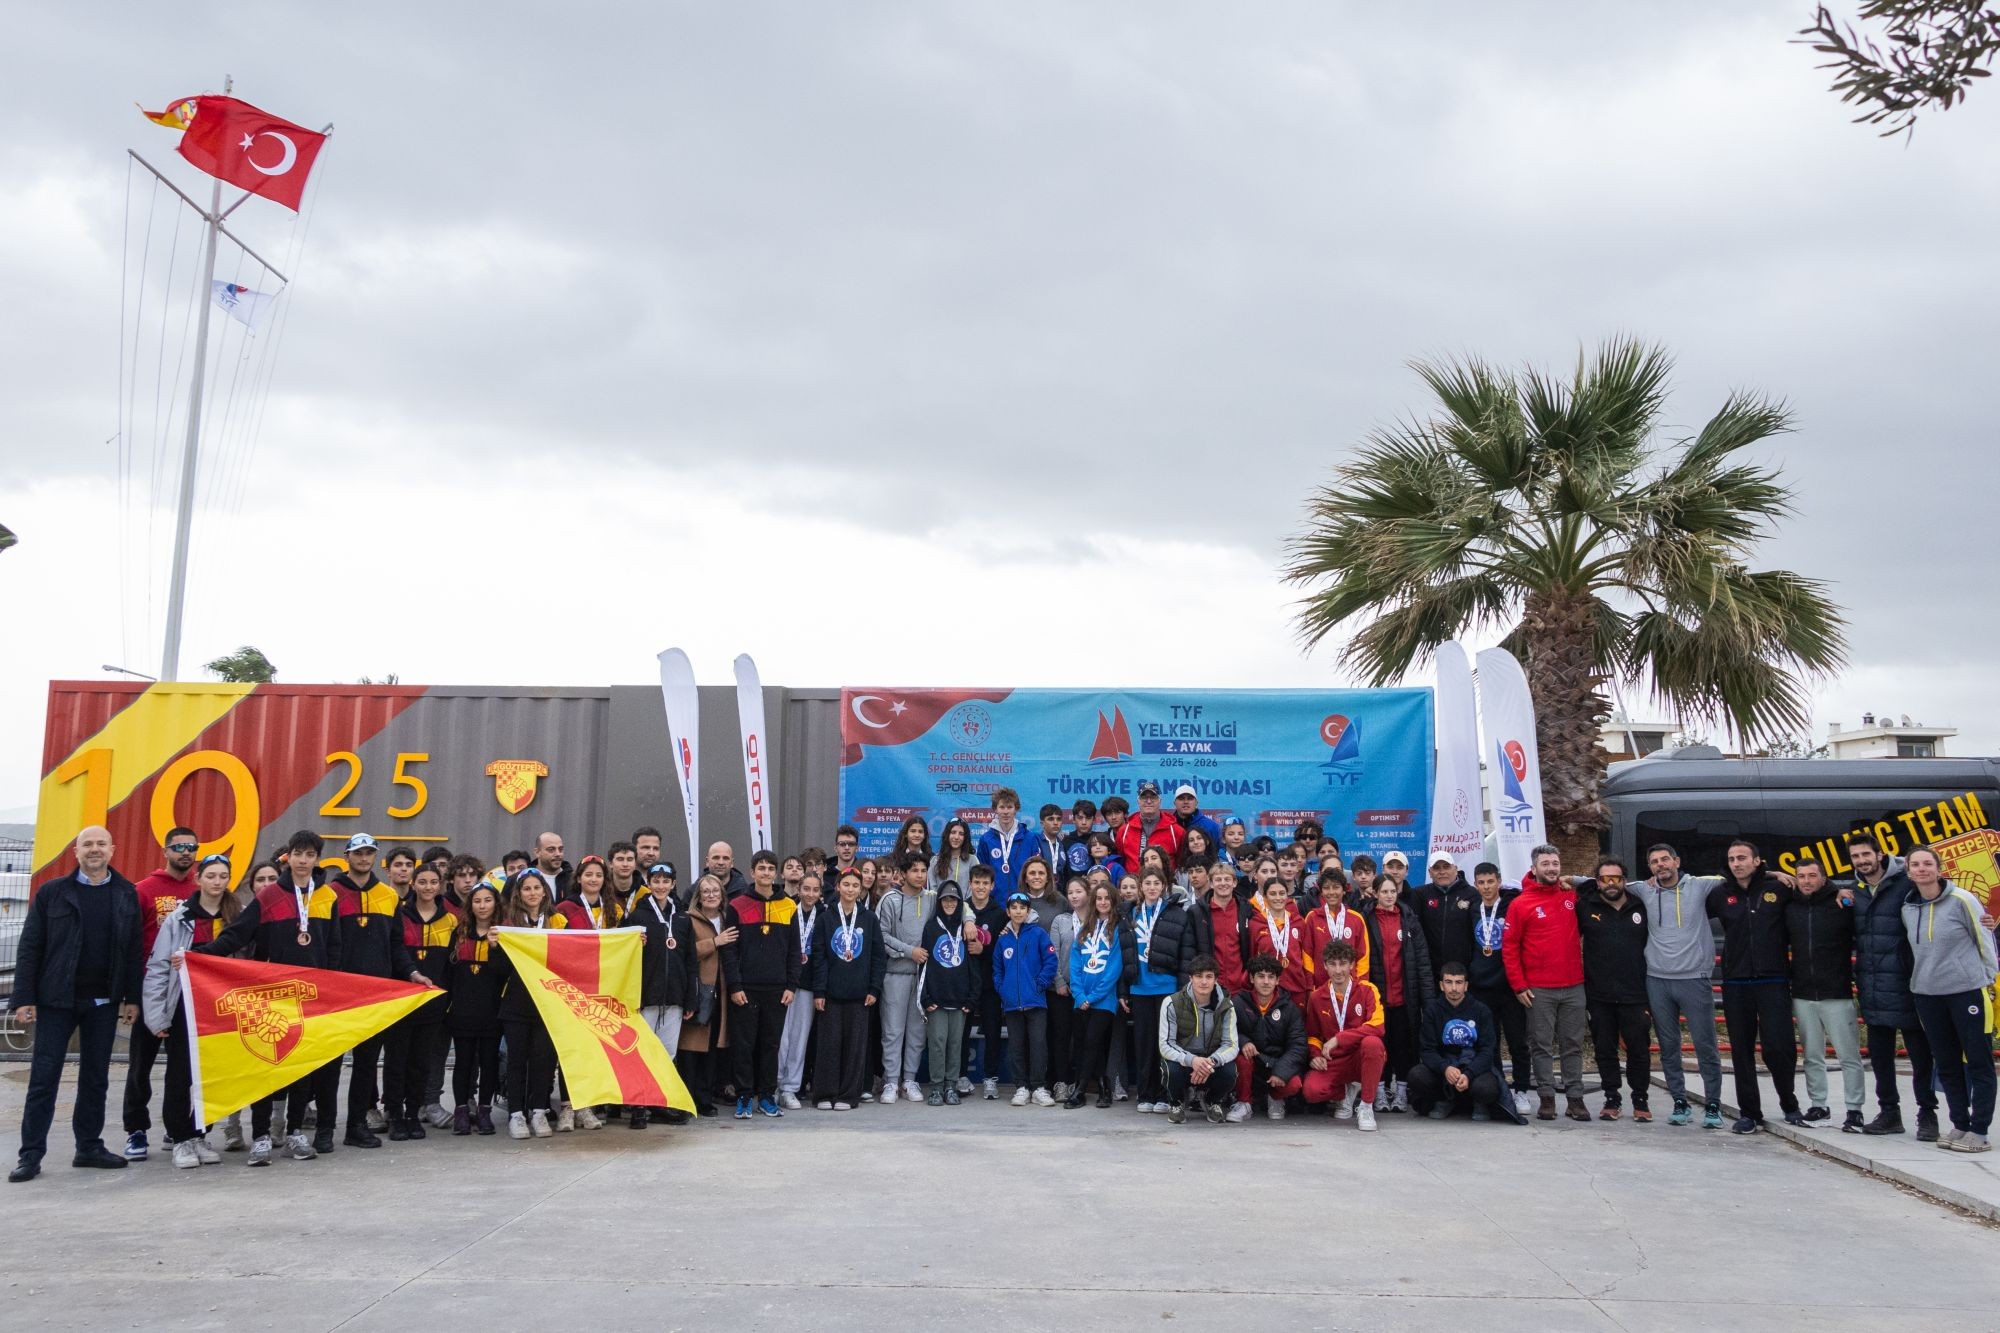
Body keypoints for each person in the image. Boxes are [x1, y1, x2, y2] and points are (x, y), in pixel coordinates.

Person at [192, 829, 340, 1160]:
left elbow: (334, 947)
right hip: (270, 995)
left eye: (310, 855)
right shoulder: (269, 896)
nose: (303, 861)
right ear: (289, 857)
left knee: (302, 1067)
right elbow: (237, 934)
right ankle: (260, 1135)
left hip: (309, 996)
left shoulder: (328, 897)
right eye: (298, 854)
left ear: (317, 859)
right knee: (266, 1066)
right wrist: (200, 955)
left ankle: (295, 1132)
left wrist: (330, 989)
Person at [328, 834, 433, 1148]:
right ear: (347, 855)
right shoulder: (330, 893)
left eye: (369, 853)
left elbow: (395, 944)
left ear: (375, 857)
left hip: (375, 995)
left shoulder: (387, 896)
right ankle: (323, 1129)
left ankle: (356, 1127)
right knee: (330, 1066)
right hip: (339, 994)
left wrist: (412, 972)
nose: (363, 858)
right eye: (358, 853)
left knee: (366, 1064)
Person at [143, 853, 239, 1169]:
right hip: (184, 1007)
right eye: (210, 875)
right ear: (198, 879)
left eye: (222, 876)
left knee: (210, 1076)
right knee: (180, 1074)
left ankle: (200, 1134)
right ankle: (180, 1138)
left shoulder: (236, 916)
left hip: (222, 1009)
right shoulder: (180, 917)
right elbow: (159, 966)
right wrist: (156, 1015)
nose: (217, 882)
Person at [1901, 845, 1998, 1153]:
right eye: (1915, 865)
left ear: (1939, 868)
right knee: (1946, 1063)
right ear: (1908, 871)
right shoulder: (1908, 907)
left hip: (1966, 991)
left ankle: (1979, 1130)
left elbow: (1984, 939)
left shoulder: (1963, 900)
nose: (1921, 869)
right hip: (1928, 995)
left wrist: (1989, 978)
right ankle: (1960, 1124)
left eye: (1927, 863)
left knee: (1979, 1062)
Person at [1848, 834, 1939, 1140]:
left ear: (1880, 854)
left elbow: (1943, 899)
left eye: (1866, 854)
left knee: (1921, 1057)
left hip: (1909, 984)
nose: (1862, 861)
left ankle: (1928, 1114)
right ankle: (1889, 1112)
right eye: (1856, 856)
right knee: (1881, 1058)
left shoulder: (1907, 882)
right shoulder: (1856, 890)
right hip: (1873, 985)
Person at [1708, 840, 1802, 1133]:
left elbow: (1815, 891)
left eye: (1742, 858)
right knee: (1741, 1050)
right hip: (1736, 982)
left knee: (1778, 1047)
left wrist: (1841, 893)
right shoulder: (1720, 894)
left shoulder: (1780, 888)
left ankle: (1789, 1103)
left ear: (1757, 861)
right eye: (1732, 859)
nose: (1736, 863)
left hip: (1773, 980)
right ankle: (1749, 1113)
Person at [1634, 843, 1727, 1130]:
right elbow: (1606, 882)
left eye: (1665, 859)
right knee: (1668, 1045)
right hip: (1657, 980)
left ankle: (1713, 1105)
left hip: (1694, 979)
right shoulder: (1644, 889)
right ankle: (1679, 1101)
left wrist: (1777, 874)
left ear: (1676, 861)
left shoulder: (1699, 885)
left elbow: (1741, 874)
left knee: (1705, 1044)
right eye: (1654, 862)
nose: (1660, 865)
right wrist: (1570, 879)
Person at [121, 825, 198, 1162]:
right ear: (165, 851)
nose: (186, 852)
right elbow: (128, 945)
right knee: (140, 1065)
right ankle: (136, 1130)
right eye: (178, 847)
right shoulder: (143, 891)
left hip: (187, 997)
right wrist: (131, 996)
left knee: (182, 1069)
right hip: (150, 992)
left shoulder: (200, 891)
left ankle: (175, 1125)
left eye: (191, 847)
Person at [1504, 845, 1589, 1123]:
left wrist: (1574, 880)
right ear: (1534, 868)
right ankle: (1547, 1098)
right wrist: (1518, 985)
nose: (1551, 868)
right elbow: (1510, 947)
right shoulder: (1520, 903)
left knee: (1572, 1044)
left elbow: (1601, 885)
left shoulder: (1571, 895)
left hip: (1574, 985)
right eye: (1545, 864)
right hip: (1538, 989)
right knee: (1541, 1046)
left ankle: (1575, 1099)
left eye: (1555, 863)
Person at [1786, 856, 1864, 1131]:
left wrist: (1846, 894)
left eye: (1812, 875)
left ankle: (1854, 1110)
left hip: (1837, 992)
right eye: (1801, 876)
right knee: (1812, 1055)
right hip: (1803, 992)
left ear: (1823, 877)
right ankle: (1819, 1105)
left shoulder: (1842, 904)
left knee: (1849, 1055)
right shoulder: (1790, 906)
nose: (1806, 881)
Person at [722, 850, 799, 1120]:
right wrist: (735, 986)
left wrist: (791, 985)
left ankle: (766, 1095)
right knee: (743, 1045)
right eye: (761, 868)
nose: (766, 873)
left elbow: (794, 950)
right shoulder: (737, 905)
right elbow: (730, 950)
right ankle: (744, 1095)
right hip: (745, 988)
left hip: (777, 989)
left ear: (776, 874)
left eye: (770, 868)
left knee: (770, 1045)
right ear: (752, 872)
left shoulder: (789, 906)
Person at [384, 863, 455, 1141]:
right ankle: (394, 1114)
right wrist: (411, 972)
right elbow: (395, 950)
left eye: (433, 882)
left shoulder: (450, 920)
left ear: (440, 885)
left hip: (433, 1003)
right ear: (413, 884)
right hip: (402, 1001)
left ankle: (413, 1114)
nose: (428, 887)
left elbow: (451, 964)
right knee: (396, 1061)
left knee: (421, 1062)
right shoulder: (400, 914)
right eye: (422, 882)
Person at [1577, 859, 1652, 1122]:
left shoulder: (1641, 905)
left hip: (1636, 992)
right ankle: (1612, 1098)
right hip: (1599, 993)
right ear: (1597, 882)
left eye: (1616, 878)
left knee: (1639, 1049)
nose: (1611, 883)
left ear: (1625, 881)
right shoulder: (1585, 907)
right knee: (1604, 1049)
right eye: (1605, 879)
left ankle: (1640, 1099)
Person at [1407, 962, 1525, 1124]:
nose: (1454, 988)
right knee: (1417, 1076)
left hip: (1473, 1067)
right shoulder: (1432, 1011)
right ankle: (1444, 1100)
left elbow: (1487, 1051)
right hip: (1444, 1069)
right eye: (1449, 982)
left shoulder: (1481, 1010)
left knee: (1487, 1088)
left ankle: (1478, 1103)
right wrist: (1445, 1068)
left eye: (1459, 982)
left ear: (1466, 985)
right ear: (1441, 985)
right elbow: (1427, 1050)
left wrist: (1469, 1074)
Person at [494, 871, 564, 1138]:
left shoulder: (558, 922)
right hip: (517, 1002)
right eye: (527, 889)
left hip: (547, 1002)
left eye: (537, 887)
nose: (532, 893)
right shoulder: (509, 924)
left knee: (543, 1060)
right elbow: (500, 969)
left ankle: (539, 1112)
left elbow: (571, 957)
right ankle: (516, 1114)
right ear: (519, 894)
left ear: (545, 891)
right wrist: (495, 947)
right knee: (516, 1060)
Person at [627, 862, 695, 1127]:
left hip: (675, 997)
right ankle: (638, 1106)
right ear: (649, 883)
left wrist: (689, 998)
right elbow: (626, 954)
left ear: (673, 884)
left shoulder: (683, 917)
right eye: (656, 880)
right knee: (642, 1051)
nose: (661, 886)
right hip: (646, 996)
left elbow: (690, 960)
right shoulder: (638, 916)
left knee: (667, 1053)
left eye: (666, 881)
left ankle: (659, 1104)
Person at [812, 868, 886, 1109]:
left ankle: (847, 1095)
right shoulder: (825, 918)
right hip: (831, 994)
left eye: (855, 885)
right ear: (838, 887)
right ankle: (825, 1093)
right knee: (829, 1045)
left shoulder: (869, 919)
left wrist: (874, 989)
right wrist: (819, 991)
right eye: (846, 884)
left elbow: (878, 957)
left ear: (861, 889)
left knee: (855, 1047)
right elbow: (819, 957)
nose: (851, 889)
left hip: (860, 995)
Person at [1361, 869, 1433, 1113]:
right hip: (1378, 997)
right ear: (1375, 893)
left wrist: (1427, 998)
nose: (1390, 895)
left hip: (1405, 996)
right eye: (1384, 891)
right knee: (1380, 1045)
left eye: (1393, 891)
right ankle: (1380, 1092)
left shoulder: (1409, 918)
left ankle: (1402, 1092)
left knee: (1404, 1046)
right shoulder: (1366, 918)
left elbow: (1422, 961)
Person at [1063, 882, 1136, 1109]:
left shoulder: (1118, 929)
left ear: (1113, 901)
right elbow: (1075, 963)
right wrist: (1079, 994)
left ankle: (1080, 1090)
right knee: (1086, 1044)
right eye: (1098, 898)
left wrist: (1092, 997)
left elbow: (1114, 968)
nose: (1102, 902)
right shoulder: (1086, 928)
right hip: (1081, 997)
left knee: (1092, 1041)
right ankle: (1104, 1087)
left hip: (1104, 999)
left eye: (1107, 898)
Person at [1301, 940, 1385, 1131]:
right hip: (1334, 1061)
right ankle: (1346, 1092)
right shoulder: (1316, 996)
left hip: (1360, 1056)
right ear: (1325, 966)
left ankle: (1366, 1106)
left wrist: (1339, 1038)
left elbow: (1378, 1026)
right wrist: (1315, 1055)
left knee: (1373, 1043)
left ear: (1352, 965)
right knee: (1311, 1091)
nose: (1338, 970)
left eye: (1343, 964)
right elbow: (1313, 1034)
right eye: (1333, 964)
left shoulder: (1367, 989)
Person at [446, 882, 505, 1136]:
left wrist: (495, 948)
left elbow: (504, 972)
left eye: (487, 900)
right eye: (477, 901)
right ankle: (461, 1110)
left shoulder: (503, 934)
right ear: (470, 905)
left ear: (496, 904)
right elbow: (449, 973)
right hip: (462, 1011)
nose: (482, 906)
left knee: (489, 1062)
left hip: (491, 1011)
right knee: (463, 1062)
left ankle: (484, 1111)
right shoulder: (459, 933)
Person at [876, 852, 935, 1104]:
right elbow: (881, 936)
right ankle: (891, 1081)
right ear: (902, 874)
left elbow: (959, 906)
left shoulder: (932, 898)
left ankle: (909, 1080)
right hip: (895, 974)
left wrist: (968, 921)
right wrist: (910, 951)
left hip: (922, 978)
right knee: (892, 1031)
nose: (920, 875)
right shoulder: (889, 900)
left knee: (917, 1031)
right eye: (914, 871)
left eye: (923, 871)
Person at [991, 891, 1057, 1107]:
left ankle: (1038, 1087)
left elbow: (1051, 961)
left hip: (1035, 1001)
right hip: (1011, 1004)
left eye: (1022, 908)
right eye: (1014, 908)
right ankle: (1021, 1087)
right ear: (1008, 911)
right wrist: (1003, 989)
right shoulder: (1003, 940)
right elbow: (997, 968)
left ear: (1028, 911)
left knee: (1038, 1045)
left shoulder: (1038, 934)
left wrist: (1039, 984)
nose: (1018, 911)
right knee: (1016, 1046)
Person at [678, 875, 737, 1117]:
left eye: (715, 891)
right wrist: (715, 942)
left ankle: (704, 1099)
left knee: (712, 1047)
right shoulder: (688, 919)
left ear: (722, 895)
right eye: (706, 891)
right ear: (698, 897)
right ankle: (686, 1098)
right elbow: (685, 952)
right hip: (697, 991)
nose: (711, 895)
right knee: (690, 1048)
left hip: (721, 991)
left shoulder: (727, 919)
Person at [1159, 954, 1239, 1124]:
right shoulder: (1171, 1002)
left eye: (1209, 977)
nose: (1204, 982)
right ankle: (1176, 1102)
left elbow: (1231, 1044)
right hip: (1184, 1059)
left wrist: (1210, 1062)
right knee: (1170, 1070)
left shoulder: (1227, 1005)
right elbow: (1166, 1044)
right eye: (1198, 976)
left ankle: (1211, 1101)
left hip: (1210, 1060)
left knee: (1230, 1072)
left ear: (1216, 980)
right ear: (1190, 978)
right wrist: (1192, 1060)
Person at [919, 882, 980, 1106]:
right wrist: (925, 997)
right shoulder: (931, 928)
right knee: (937, 1043)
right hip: (936, 999)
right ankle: (936, 1088)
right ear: (939, 902)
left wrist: (971, 998)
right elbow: (923, 966)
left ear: (960, 903)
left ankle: (951, 1086)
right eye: (945, 899)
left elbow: (973, 967)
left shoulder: (966, 929)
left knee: (955, 1044)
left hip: (960, 1000)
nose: (949, 903)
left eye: (953, 899)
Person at [1126, 869, 1180, 1114]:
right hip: (1139, 987)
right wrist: (1124, 989)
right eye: (1147, 883)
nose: (1151, 887)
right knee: (1144, 1043)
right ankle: (1145, 1094)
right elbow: (1124, 953)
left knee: (1165, 1043)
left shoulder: (1174, 913)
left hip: (1166, 986)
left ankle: (1165, 1094)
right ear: (1141, 887)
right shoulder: (1130, 913)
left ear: (1164, 886)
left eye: (1156, 883)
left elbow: (1182, 951)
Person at [1230, 954, 1307, 1122]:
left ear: (1278, 980)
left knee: (1294, 1084)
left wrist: (1281, 1072)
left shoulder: (1289, 1008)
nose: (1266, 982)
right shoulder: (1238, 1003)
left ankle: (1275, 1098)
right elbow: (1227, 1032)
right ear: (1252, 978)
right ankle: (1244, 1103)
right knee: (1241, 1058)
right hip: (1253, 1062)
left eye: (1271, 977)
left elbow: (1298, 1045)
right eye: (1261, 976)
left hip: (1277, 1063)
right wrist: (1243, 1041)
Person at [775, 873, 822, 1111]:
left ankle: (790, 1088)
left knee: (799, 1039)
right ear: (799, 889)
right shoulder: (787, 910)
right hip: (785, 984)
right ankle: (773, 1084)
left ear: (820, 893)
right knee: (780, 1038)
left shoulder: (823, 916)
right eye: (806, 889)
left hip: (808, 985)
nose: (810, 894)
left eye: (815, 890)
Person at [1048, 877, 1089, 1101]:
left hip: (1086, 992)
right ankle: (1061, 1082)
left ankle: (1080, 1083)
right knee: (1061, 1038)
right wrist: (1060, 982)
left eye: (1078, 891)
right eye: (1070, 892)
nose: (1074, 896)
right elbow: (1052, 954)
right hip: (1062, 991)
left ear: (1088, 893)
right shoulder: (1060, 920)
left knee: (1083, 1039)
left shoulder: (1097, 920)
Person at [1251, 878, 1311, 1012]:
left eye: (1282, 893)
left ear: (1287, 895)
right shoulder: (1256, 923)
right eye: (1273, 894)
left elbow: (1306, 957)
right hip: (1267, 990)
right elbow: (1251, 956)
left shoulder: (1298, 922)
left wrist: (1308, 987)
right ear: (1265, 896)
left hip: (1296, 987)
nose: (1278, 898)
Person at [1413, 855, 1472, 972]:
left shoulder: (1472, 894)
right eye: (1436, 868)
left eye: (1446, 867)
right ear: (1430, 872)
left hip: (1463, 970)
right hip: (1430, 969)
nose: (1442, 872)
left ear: (1455, 869)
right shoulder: (1420, 894)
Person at [1115, 781, 1187, 873]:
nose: (1149, 801)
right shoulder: (1124, 831)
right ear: (1138, 801)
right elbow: (1120, 862)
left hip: (1165, 881)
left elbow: (1181, 862)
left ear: (1160, 801)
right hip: (1135, 881)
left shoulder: (1176, 831)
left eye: (1153, 797)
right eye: (1144, 797)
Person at [975, 787, 1032, 897]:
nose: (1006, 812)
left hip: (1022, 902)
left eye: (1009, 807)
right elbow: (982, 875)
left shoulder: (1029, 838)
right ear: (995, 809)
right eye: (1002, 807)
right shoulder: (986, 840)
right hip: (995, 902)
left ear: (1016, 809)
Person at [931, 820, 977, 895]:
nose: (956, 837)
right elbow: (932, 888)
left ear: (965, 837)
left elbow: (974, 887)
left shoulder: (972, 860)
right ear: (947, 834)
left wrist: (965, 902)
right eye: (953, 832)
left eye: (961, 834)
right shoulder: (935, 860)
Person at [1171, 786, 1224, 853]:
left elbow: (1219, 853)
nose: (1186, 802)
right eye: (1181, 799)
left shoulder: (1211, 826)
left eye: (1190, 799)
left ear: (1196, 803)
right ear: (1174, 803)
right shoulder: (1169, 826)